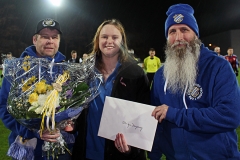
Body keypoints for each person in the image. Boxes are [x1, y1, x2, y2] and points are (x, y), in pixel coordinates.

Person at [148, 4, 240, 160]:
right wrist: (154, 154)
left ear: (196, 34)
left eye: (184, 30)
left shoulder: (218, 67)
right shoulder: (160, 76)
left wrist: (174, 114)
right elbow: (155, 120)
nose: (178, 38)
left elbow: (229, 115)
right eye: (172, 31)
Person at [71, 19, 150, 160]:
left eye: (115, 37)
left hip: (120, 155)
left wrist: (131, 149)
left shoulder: (136, 74)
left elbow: (144, 119)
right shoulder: (84, 71)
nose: (109, 41)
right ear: (97, 40)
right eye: (104, 37)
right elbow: (75, 111)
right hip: (87, 152)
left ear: (122, 41)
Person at [0, 18, 72, 160]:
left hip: (59, 150)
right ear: (35, 39)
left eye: (54, 37)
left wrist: (70, 125)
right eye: (45, 37)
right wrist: (32, 131)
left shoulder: (67, 71)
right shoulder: (16, 69)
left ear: (59, 41)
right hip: (27, 150)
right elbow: (4, 108)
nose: (50, 41)